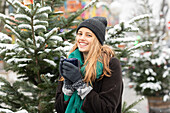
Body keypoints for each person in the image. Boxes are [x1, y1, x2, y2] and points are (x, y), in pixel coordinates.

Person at [55, 16, 123, 113]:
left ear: (97, 40)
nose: (82, 38)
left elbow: (107, 109)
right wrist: (68, 87)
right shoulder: (70, 63)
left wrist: (79, 84)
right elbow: (59, 109)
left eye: (88, 35)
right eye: (80, 34)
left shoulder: (109, 64)